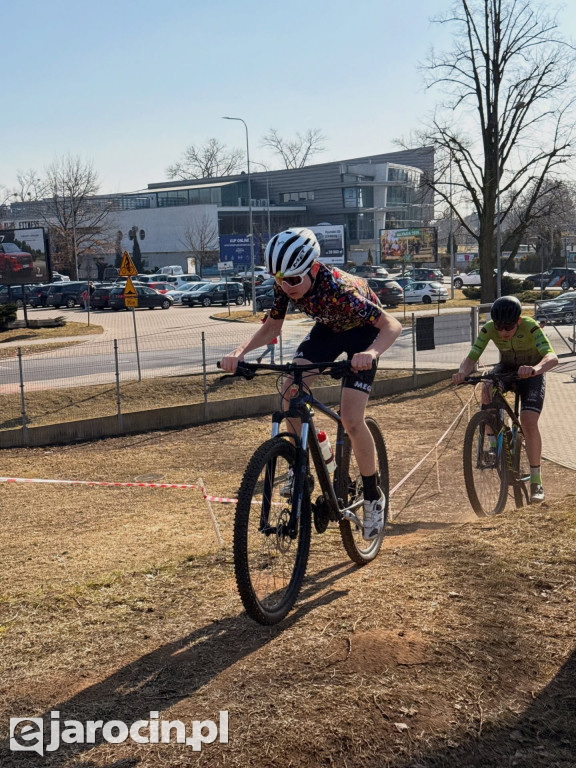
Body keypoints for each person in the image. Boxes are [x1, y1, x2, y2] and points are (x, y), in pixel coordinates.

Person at [220, 227, 403, 540]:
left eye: (292, 280)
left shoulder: (340, 288)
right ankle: (300, 464)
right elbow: (271, 327)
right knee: (290, 389)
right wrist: (239, 352)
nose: (285, 286)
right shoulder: (286, 281)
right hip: (328, 330)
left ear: (313, 268)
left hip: (364, 333)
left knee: (351, 418)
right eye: (279, 279)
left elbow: (391, 324)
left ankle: (374, 496)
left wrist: (370, 353)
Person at [452, 295, 558, 503]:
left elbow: (551, 357)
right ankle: (493, 446)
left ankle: (536, 481)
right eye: (499, 327)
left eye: (508, 327)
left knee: (528, 422)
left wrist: (536, 368)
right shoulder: (489, 328)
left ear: (518, 321)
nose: (502, 332)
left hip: (531, 373)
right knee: (487, 386)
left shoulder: (530, 326)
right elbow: (473, 355)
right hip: (507, 368)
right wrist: (461, 372)